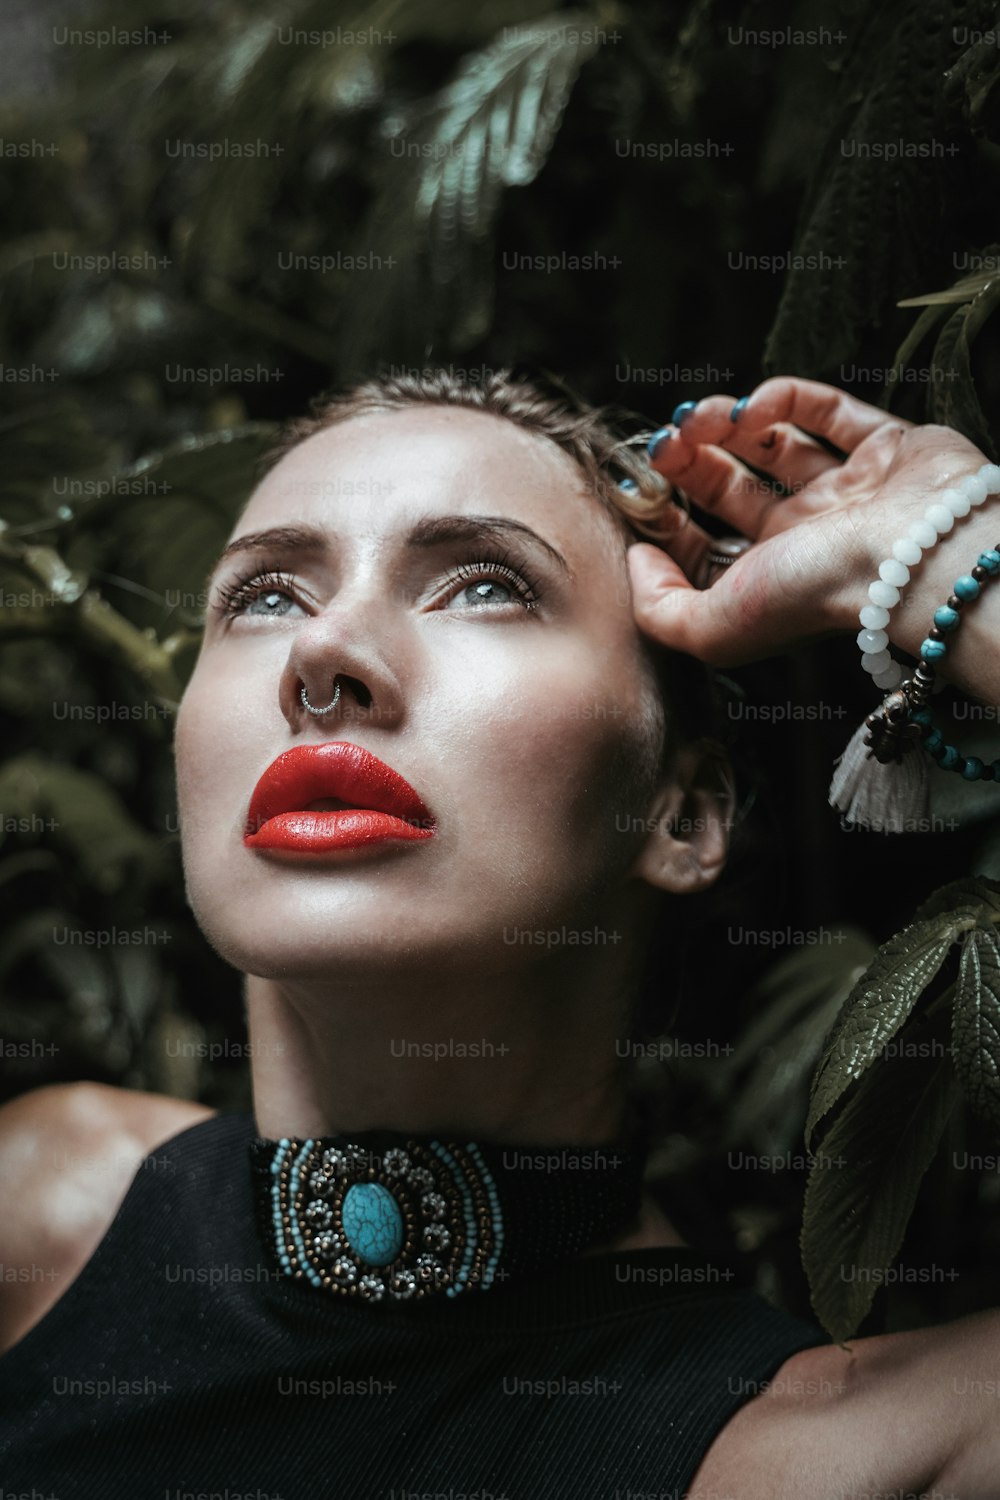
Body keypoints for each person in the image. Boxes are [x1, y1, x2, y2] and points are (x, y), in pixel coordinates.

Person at [0, 369, 998, 1498]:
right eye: (265, 596)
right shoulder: (40, 1214)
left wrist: (940, 556)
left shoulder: (829, 1454)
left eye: (482, 585)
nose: (322, 655)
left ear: (679, 813)